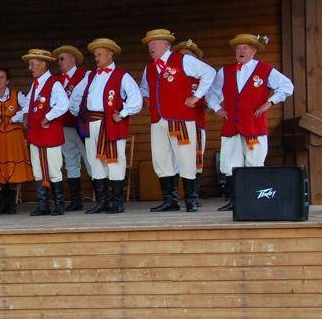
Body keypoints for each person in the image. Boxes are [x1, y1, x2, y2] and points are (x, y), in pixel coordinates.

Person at [207, 33, 294, 211]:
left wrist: (270, 102)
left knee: (255, 161)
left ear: (254, 51)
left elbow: (287, 86)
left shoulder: (265, 69)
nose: (240, 51)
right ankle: (235, 201)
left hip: (254, 126)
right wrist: (217, 108)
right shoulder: (225, 71)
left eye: (244, 48)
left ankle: (253, 199)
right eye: (238, 48)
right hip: (231, 125)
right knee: (230, 163)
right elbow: (212, 93)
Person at [139, 29, 216, 213]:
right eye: (149, 44)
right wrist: (146, 97)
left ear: (166, 44)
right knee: (161, 158)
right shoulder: (149, 67)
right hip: (158, 120)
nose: (150, 46)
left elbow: (209, 72)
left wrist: (196, 96)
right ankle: (170, 200)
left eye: (154, 42)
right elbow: (144, 87)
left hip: (180, 118)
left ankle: (190, 199)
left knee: (186, 157)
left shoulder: (183, 60)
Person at [71, 38, 142, 214]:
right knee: (95, 161)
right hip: (92, 123)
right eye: (95, 55)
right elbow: (75, 96)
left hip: (110, 124)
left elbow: (136, 99)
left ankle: (117, 202)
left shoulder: (122, 75)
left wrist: (123, 114)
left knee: (115, 161)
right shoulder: (90, 76)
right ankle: (102, 202)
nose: (96, 58)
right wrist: (79, 113)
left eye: (99, 54)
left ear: (110, 54)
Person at [18, 49, 70, 216]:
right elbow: (28, 102)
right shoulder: (36, 84)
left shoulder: (54, 83)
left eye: (32, 64)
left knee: (54, 168)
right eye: (29, 64)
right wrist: (26, 114)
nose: (30, 68)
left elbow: (63, 104)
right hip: (36, 134)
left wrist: (48, 116)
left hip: (49, 134)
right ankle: (43, 205)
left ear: (43, 64)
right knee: (38, 170)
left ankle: (59, 204)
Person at [0, 68, 33, 214]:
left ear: (7, 80)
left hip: (13, 138)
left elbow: (28, 106)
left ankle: (11, 204)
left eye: (2, 77)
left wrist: (15, 117)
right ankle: (1, 204)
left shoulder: (17, 95)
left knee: (13, 170)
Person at [52, 44, 91, 211]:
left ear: (73, 59)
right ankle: (76, 201)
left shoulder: (86, 75)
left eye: (62, 58)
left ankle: (102, 199)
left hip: (82, 125)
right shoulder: (56, 80)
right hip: (65, 126)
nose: (59, 62)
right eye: (58, 59)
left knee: (90, 160)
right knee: (71, 162)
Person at [173, 39, 209, 203]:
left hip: (196, 124)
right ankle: (173, 197)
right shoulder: (173, 78)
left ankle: (193, 196)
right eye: (181, 56)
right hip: (175, 124)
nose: (184, 59)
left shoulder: (203, 80)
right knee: (174, 160)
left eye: (188, 55)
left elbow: (213, 99)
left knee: (196, 160)